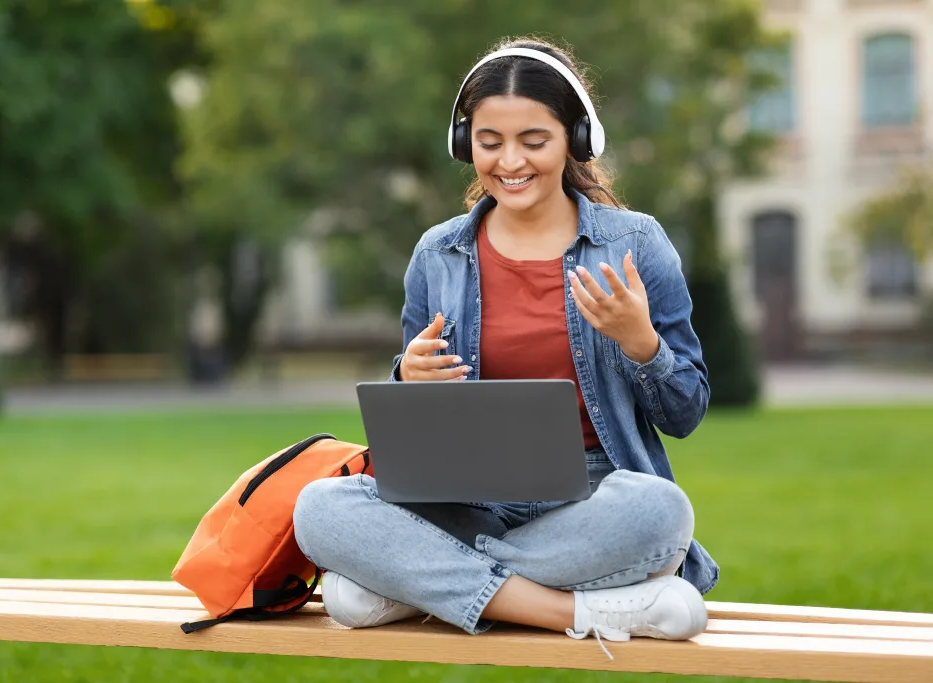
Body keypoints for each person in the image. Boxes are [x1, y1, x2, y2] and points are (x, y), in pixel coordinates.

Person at [293, 36, 718, 653]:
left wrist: (641, 342)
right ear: (466, 144)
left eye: (533, 141)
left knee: (662, 512)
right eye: (489, 143)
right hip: (466, 498)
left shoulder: (636, 246)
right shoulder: (438, 255)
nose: (509, 162)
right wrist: (408, 382)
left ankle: (411, 586)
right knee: (318, 507)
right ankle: (570, 609)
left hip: (594, 498)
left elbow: (687, 411)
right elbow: (407, 431)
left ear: (574, 139)